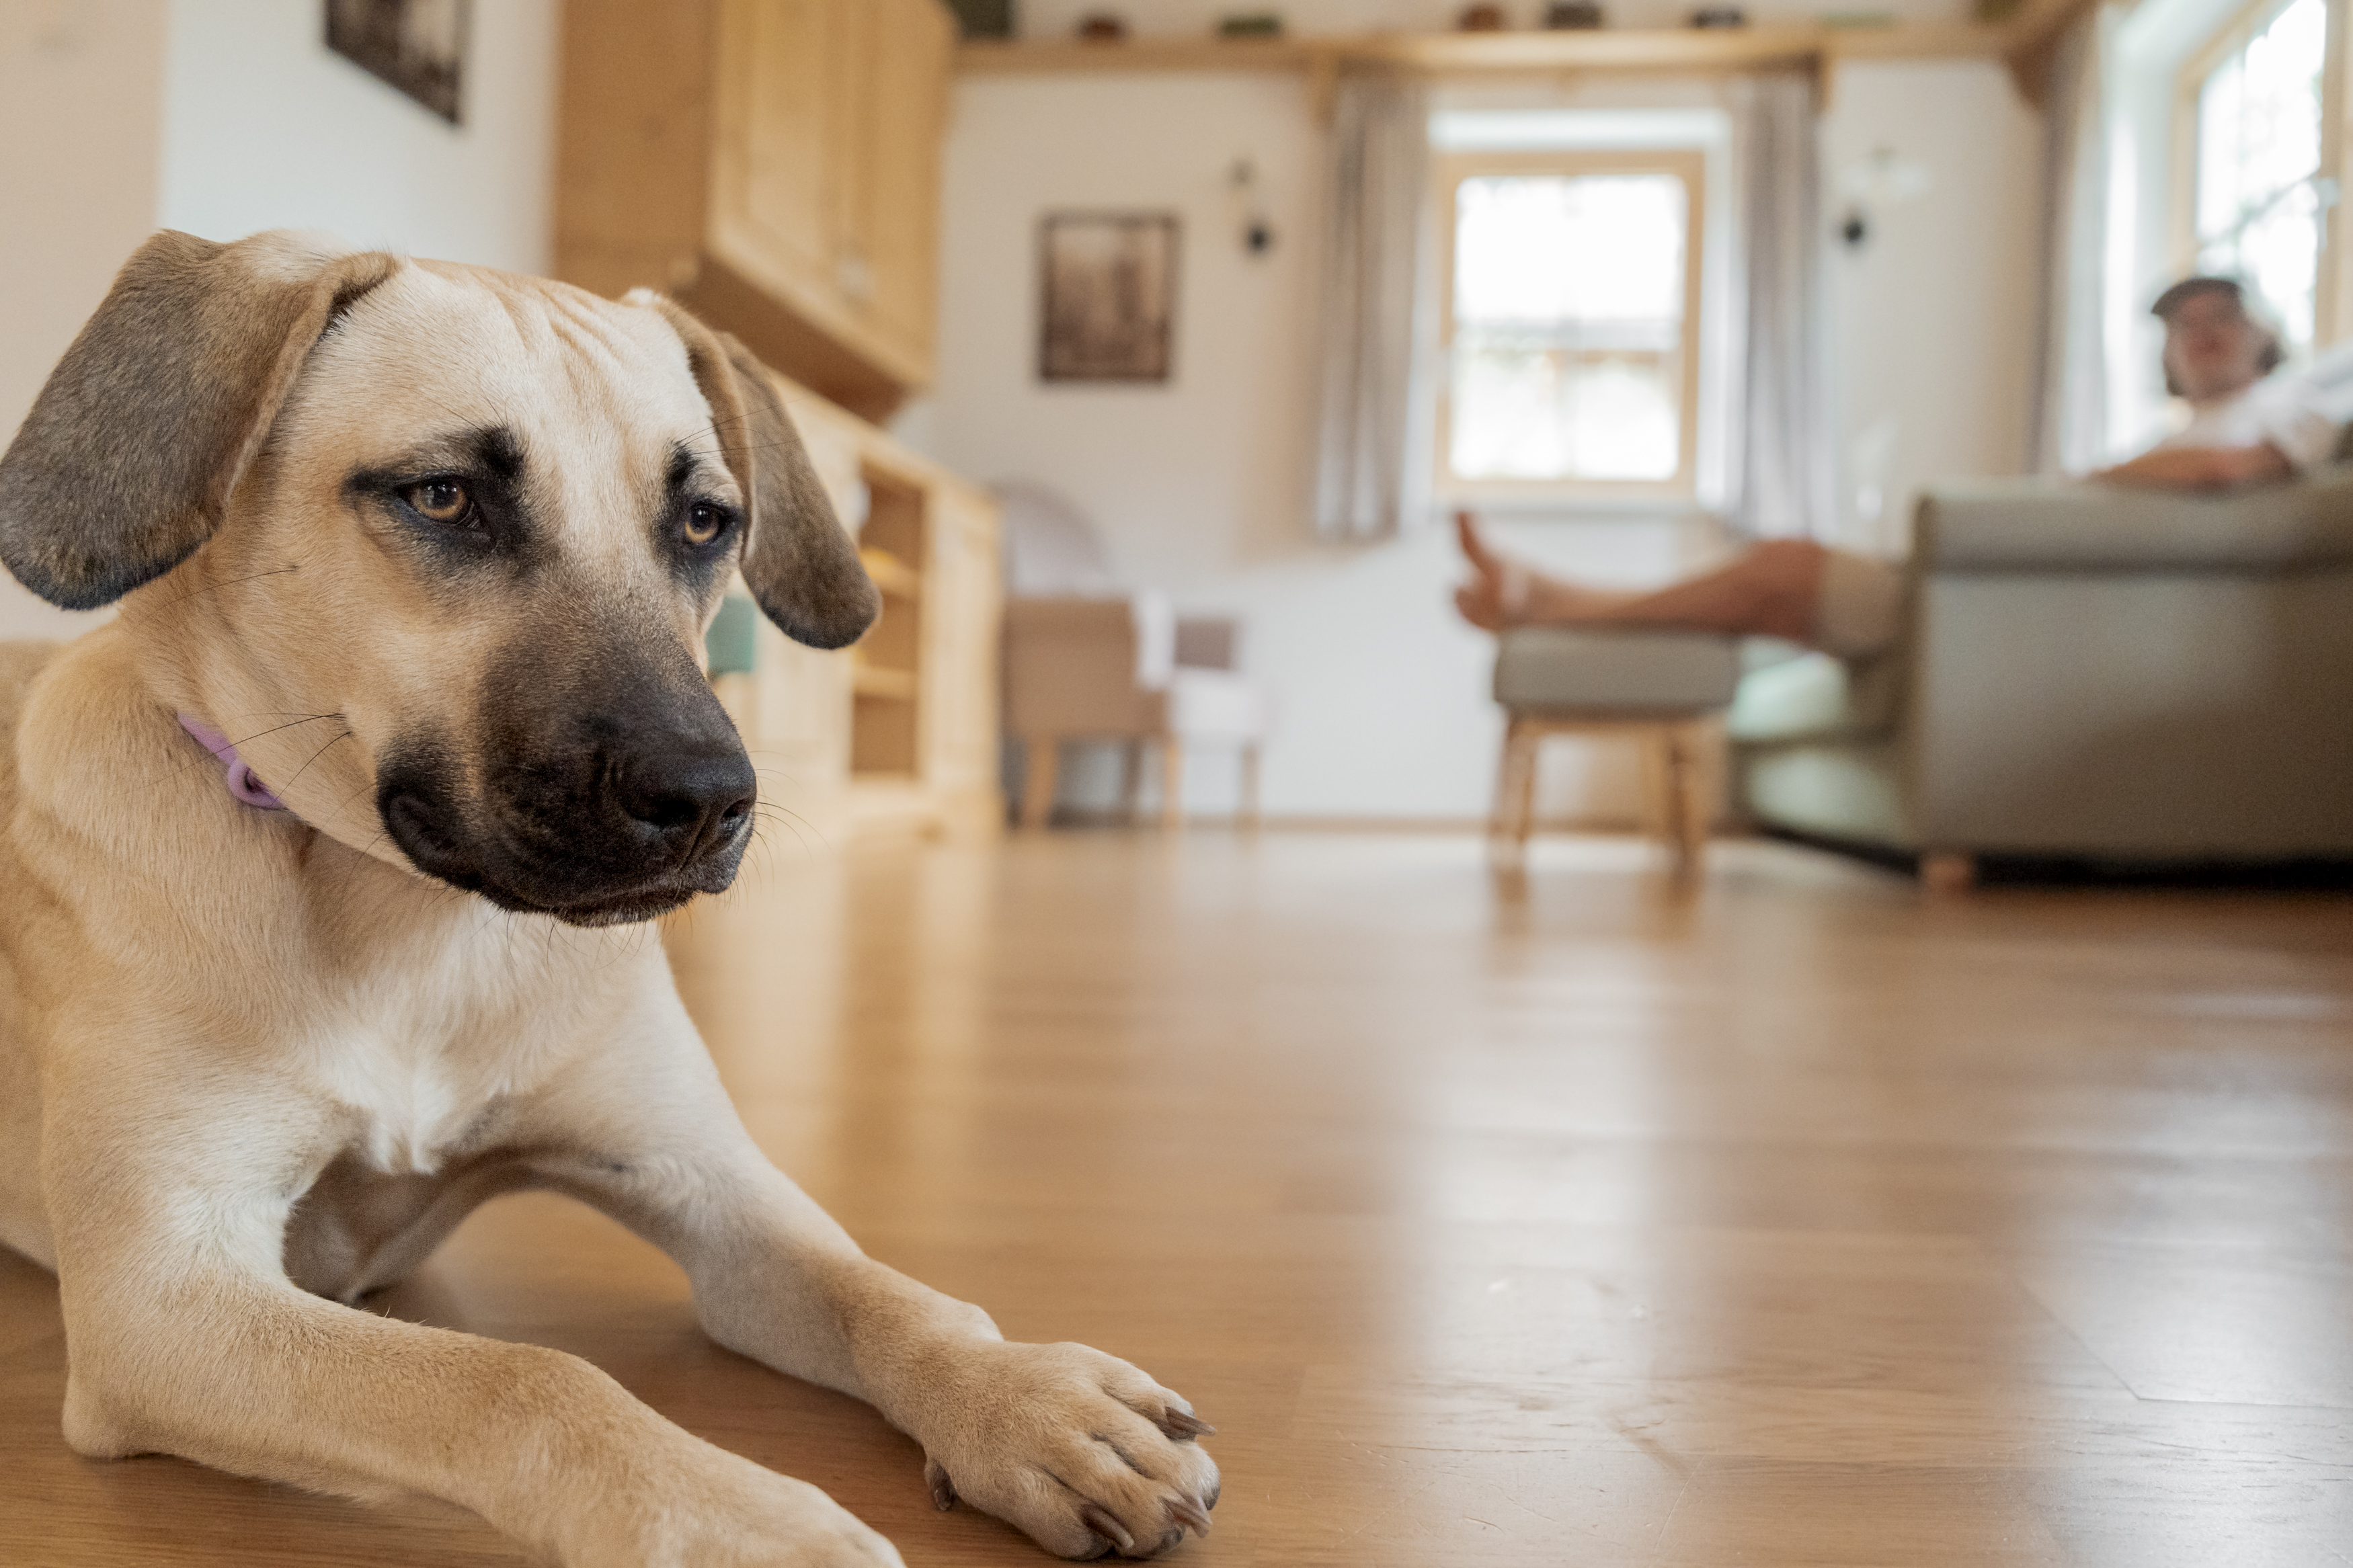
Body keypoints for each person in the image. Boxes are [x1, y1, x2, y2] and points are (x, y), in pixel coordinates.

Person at [1453, 276, 2340, 661]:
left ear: (2266, 330)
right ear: (2168, 357)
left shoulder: (2294, 398)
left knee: (1781, 568)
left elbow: (2233, 470)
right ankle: (1547, 601)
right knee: (1769, 593)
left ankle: (1548, 602)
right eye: (2183, 324)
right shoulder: (2165, 432)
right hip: (2012, 590)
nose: (2203, 330)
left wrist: (2091, 481)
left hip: (2037, 607)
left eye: (2222, 312)